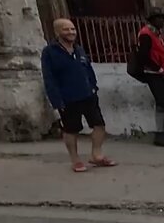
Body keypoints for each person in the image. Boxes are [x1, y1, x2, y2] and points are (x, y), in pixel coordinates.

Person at [41, 18, 115, 172]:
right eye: (66, 29)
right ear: (57, 32)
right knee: (71, 130)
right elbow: (49, 78)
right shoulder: (49, 52)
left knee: (99, 125)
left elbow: (88, 69)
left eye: (73, 29)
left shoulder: (79, 49)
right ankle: (75, 160)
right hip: (67, 98)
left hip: (88, 95)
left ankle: (97, 155)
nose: (71, 32)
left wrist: (93, 87)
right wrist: (56, 100)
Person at [134, 8, 164, 147]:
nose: (162, 22)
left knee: (163, 102)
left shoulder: (155, 34)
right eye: (159, 19)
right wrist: (160, 70)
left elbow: (157, 53)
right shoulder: (146, 35)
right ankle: (159, 134)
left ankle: (162, 132)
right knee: (161, 102)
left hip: (159, 72)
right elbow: (144, 57)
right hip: (154, 73)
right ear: (152, 19)